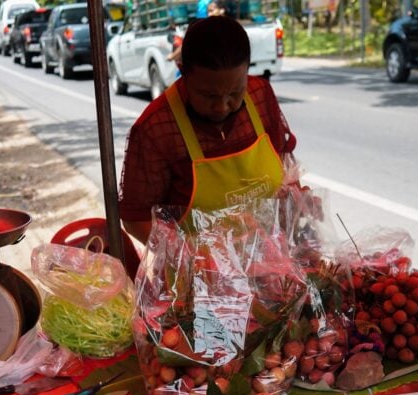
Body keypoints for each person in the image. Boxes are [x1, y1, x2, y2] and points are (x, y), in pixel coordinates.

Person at [119, 15, 297, 244]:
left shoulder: (260, 94)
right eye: (208, 95)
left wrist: (296, 200)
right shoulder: (156, 128)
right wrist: (190, 257)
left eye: (235, 93)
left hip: (273, 266)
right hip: (197, 275)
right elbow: (136, 218)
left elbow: (284, 164)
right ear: (183, 72)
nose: (222, 106)